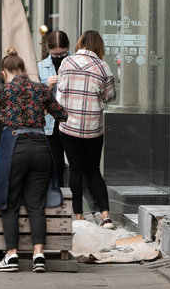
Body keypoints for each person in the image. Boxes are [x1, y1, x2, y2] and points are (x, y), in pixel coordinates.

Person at [0, 48, 68, 273]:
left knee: (10, 203)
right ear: (23, 69)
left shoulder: (2, 91)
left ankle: (11, 256)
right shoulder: (40, 89)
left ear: (4, 72)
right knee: (36, 204)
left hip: (15, 147)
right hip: (41, 147)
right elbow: (62, 114)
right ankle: (38, 255)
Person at [57, 30, 117, 229]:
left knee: (75, 170)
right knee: (93, 170)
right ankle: (106, 216)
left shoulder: (66, 62)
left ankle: (78, 216)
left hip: (69, 125)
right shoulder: (103, 66)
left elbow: (60, 91)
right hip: (93, 127)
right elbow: (110, 96)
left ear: (80, 43)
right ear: (99, 46)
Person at [37, 30, 71, 187]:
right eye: (55, 55)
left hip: (71, 119)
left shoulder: (75, 63)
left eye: (62, 54)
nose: (59, 58)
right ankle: (57, 195)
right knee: (55, 163)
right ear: (48, 49)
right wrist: (47, 86)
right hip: (50, 123)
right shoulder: (40, 67)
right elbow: (35, 97)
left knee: (75, 164)